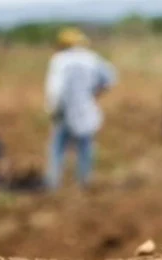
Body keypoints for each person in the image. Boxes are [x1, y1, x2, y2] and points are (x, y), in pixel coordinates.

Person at [44, 27, 117, 191]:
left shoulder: (59, 60)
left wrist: (53, 109)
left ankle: (53, 182)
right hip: (85, 109)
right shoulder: (91, 58)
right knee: (85, 146)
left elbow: (55, 89)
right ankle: (84, 181)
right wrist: (94, 94)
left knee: (58, 147)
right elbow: (110, 78)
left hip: (64, 110)